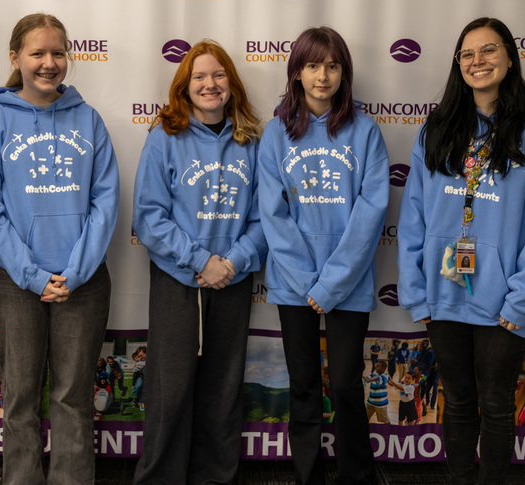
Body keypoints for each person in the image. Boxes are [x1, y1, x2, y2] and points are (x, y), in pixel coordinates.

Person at [397, 17, 525, 484]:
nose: (478, 62)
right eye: (467, 54)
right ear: (458, 65)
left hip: (504, 301)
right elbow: (414, 215)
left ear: (510, 57)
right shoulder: (437, 128)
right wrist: (416, 289)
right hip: (444, 294)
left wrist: (524, 300)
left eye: (489, 51)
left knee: (494, 404)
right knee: (458, 399)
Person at [0, 12, 119, 485]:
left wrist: (74, 273)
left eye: (58, 53)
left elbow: (105, 201)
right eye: (37, 53)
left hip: (83, 280)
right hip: (15, 282)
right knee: (19, 398)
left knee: (73, 399)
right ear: (15, 58)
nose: (49, 63)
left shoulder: (88, 119)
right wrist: (34, 277)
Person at [258, 26, 389, 485]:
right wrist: (306, 281)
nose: (322, 75)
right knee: (305, 387)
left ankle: (357, 475)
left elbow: (371, 211)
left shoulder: (366, 131)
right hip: (294, 284)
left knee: (349, 387)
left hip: (348, 284)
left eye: (332, 65)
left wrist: (331, 283)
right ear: (296, 72)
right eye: (313, 65)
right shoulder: (276, 133)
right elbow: (272, 213)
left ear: (344, 73)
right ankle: (308, 476)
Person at [132, 40, 267, 484]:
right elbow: (149, 218)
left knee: (223, 389)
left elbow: (265, 217)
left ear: (232, 82)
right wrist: (200, 261)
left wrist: (232, 261)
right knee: (170, 389)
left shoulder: (252, 140)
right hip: (179, 280)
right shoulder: (164, 138)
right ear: (184, 88)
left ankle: (215, 477)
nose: (210, 84)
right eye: (199, 77)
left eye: (219, 75)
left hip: (233, 278)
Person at [364, 360, 391, 425]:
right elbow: (367, 378)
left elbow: (376, 378)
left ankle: (390, 430)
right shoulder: (374, 373)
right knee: (365, 417)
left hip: (380, 403)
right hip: (370, 402)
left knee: (385, 420)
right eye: (375, 367)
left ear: (384, 368)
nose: (376, 368)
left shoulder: (385, 376)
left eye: (378, 367)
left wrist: (368, 379)